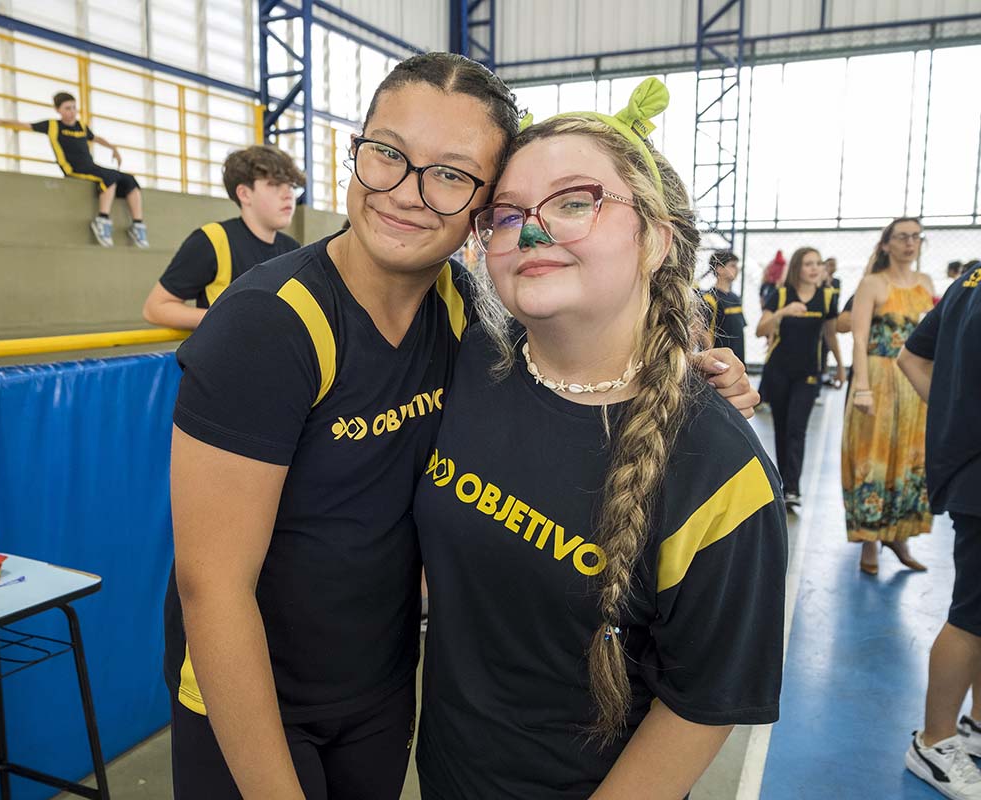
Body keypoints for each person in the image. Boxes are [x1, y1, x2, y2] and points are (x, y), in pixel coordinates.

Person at [163, 53, 756, 800]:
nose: (406, 193)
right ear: (356, 150)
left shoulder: (464, 316)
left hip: (380, 690)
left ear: (483, 207)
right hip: (252, 697)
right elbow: (212, 587)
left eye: (450, 173)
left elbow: (579, 361)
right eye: (387, 153)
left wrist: (682, 376)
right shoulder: (268, 325)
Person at [414, 78, 787, 799]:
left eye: (575, 201)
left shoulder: (719, 471)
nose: (531, 233)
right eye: (507, 214)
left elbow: (701, 703)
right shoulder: (462, 358)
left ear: (657, 239)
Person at [898, 260, 981, 799]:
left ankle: (973, 727)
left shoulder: (969, 278)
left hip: (968, 464)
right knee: (971, 614)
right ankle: (935, 740)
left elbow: (911, 357)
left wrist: (953, 419)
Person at [842, 218, 934, 573]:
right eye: (902, 237)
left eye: (916, 237)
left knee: (910, 456)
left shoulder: (926, 283)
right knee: (873, 456)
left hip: (914, 383)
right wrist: (862, 388)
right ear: (886, 244)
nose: (910, 243)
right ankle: (869, 539)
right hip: (878, 379)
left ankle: (899, 536)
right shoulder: (872, 284)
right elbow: (859, 338)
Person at [142, 145, 304, 330]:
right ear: (244, 194)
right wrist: (231, 319)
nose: (288, 195)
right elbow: (155, 309)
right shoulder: (212, 240)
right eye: (274, 184)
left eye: (291, 185)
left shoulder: (293, 249)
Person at [0, 92, 147, 248]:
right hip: (74, 169)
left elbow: (95, 138)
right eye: (67, 108)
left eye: (74, 108)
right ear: (58, 110)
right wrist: (0, 122)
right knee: (109, 177)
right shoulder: (52, 126)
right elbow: (24, 125)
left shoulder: (81, 126)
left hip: (92, 167)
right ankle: (102, 220)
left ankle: (137, 225)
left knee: (130, 180)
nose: (72, 112)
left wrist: (113, 148)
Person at [756, 247, 844, 510]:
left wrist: (840, 367)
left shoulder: (826, 297)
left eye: (817, 263)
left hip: (808, 374)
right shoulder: (781, 294)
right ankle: (783, 483)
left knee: (797, 428)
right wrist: (782, 312)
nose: (815, 268)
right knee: (782, 429)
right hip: (778, 371)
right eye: (808, 264)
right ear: (797, 267)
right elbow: (761, 329)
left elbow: (830, 334)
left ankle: (792, 488)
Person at [700, 250, 747, 362]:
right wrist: (713, 361)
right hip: (720, 363)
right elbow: (704, 332)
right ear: (719, 269)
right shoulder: (709, 298)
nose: (737, 269)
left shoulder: (735, 298)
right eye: (732, 265)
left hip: (737, 360)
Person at [821, 257, 842, 383]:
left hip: (830, 316)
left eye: (834, 265)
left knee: (827, 345)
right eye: (829, 264)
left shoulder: (837, 282)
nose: (832, 267)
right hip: (820, 320)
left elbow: (836, 298)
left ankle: (824, 372)